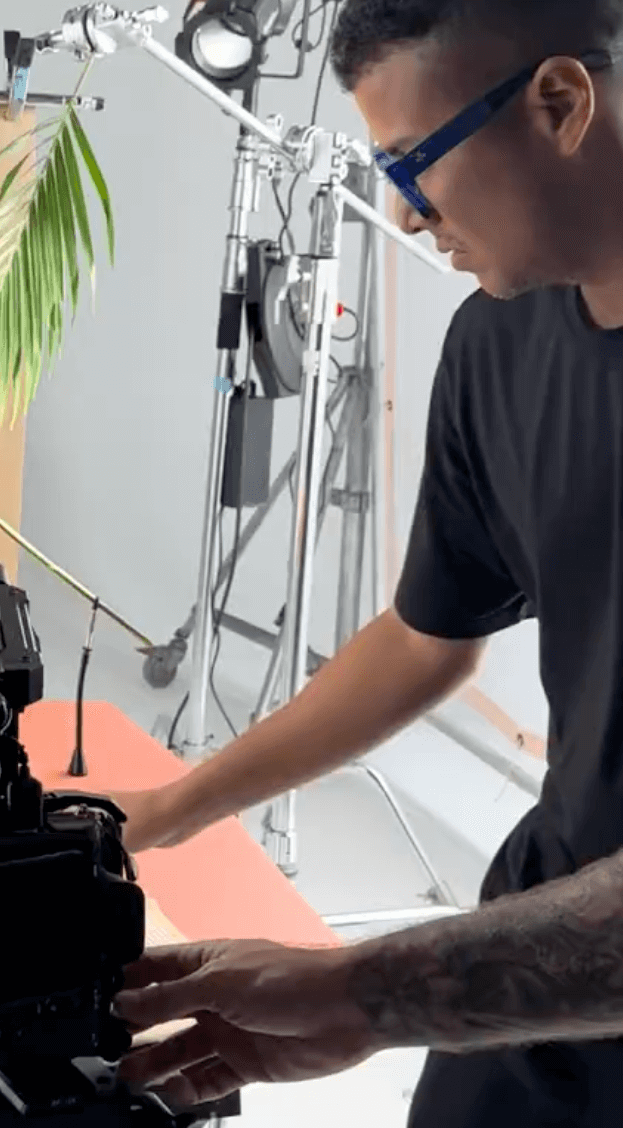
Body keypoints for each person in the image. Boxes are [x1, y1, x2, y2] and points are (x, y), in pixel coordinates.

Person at [106, 2, 623, 1125]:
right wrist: (171, 807)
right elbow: (427, 637)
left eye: (416, 161)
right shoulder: (498, 340)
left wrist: (359, 990)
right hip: (545, 923)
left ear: (560, 104)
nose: (404, 209)